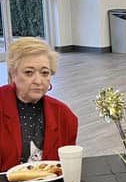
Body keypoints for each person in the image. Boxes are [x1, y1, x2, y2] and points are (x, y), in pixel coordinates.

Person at [0, 37, 78, 171]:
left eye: (44, 73)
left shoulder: (64, 115)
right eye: (29, 73)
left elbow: (67, 166)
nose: (38, 81)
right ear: (13, 74)